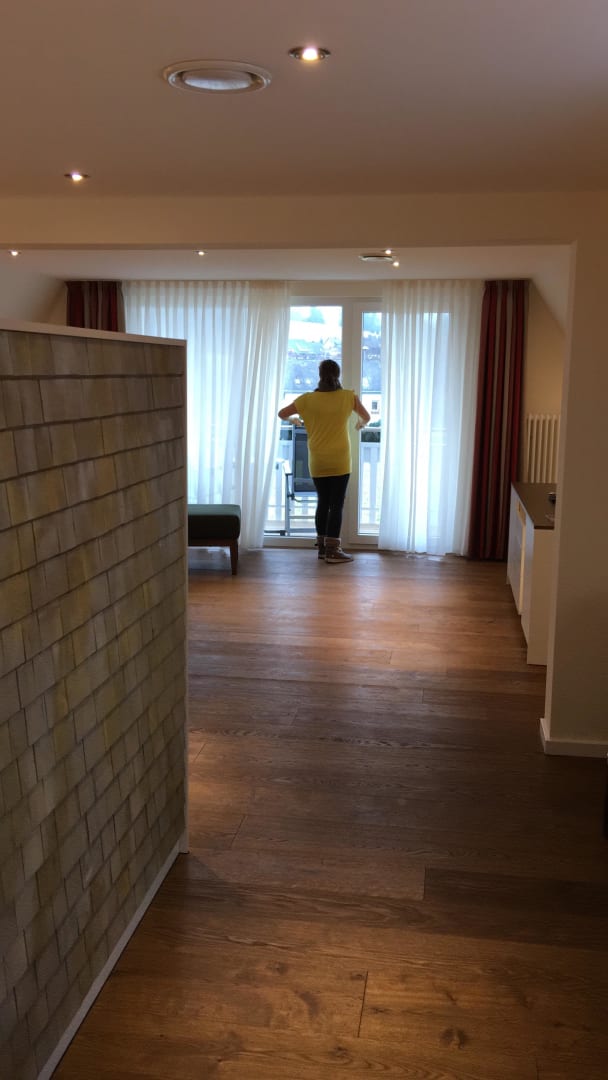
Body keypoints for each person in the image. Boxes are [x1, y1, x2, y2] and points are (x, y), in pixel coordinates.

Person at [278, 359, 371, 563]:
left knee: (323, 502)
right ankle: (333, 551)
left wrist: (294, 420)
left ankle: (321, 548)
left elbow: (281, 414)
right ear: (338, 374)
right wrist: (360, 424)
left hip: (318, 459)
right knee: (336, 504)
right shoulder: (348, 397)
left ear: (319, 375)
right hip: (340, 459)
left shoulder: (306, 399)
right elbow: (366, 416)